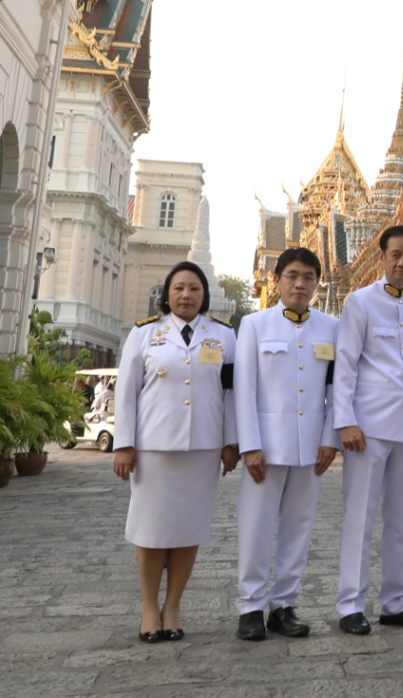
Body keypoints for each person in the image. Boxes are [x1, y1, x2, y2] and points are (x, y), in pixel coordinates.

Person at [113, 262, 239, 643]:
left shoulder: (223, 336)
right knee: (151, 531)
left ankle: (173, 607)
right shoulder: (145, 333)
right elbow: (126, 392)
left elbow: (232, 394)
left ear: (205, 295)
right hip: (154, 449)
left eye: (195, 289)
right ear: (167, 294)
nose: (187, 295)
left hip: (202, 447)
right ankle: (150, 609)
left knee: (188, 529)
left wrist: (231, 441)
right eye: (179, 288)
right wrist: (123, 443)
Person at [331, 224, 403, 635]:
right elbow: (346, 365)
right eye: (395, 255)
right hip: (368, 426)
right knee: (360, 517)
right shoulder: (360, 303)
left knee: (402, 518)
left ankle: (395, 601)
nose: (402, 262)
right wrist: (346, 420)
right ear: (381, 257)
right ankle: (350, 605)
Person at [233, 248, 339, 641]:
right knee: (256, 527)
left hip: (311, 447)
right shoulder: (255, 325)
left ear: (317, 283)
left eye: (309, 277)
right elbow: (244, 390)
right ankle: (249, 607)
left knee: (299, 526)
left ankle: (284, 605)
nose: (300, 284)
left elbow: (337, 388)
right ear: (276, 280)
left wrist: (330, 439)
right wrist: (249, 445)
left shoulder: (331, 328)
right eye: (292, 275)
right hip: (266, 445)